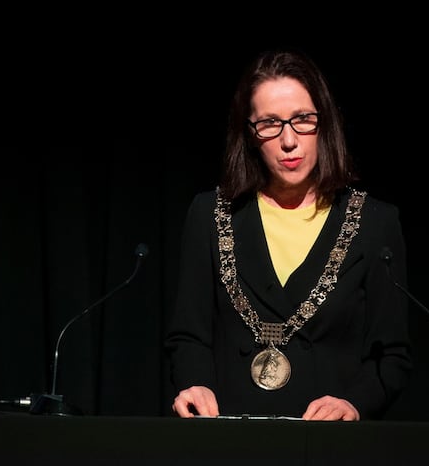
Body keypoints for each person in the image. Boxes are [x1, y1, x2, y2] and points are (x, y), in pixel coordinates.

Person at [164, 48, 413, 421]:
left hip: (331, 447)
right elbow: (188, 336)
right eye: (269, 124)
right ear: (249, 134)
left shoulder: (374, 223)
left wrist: (355, 403)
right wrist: (195, 383)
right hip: (231, 438)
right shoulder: (210, 214)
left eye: (302, 120)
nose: (289, 140)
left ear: (324, 123)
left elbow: (392, 356)